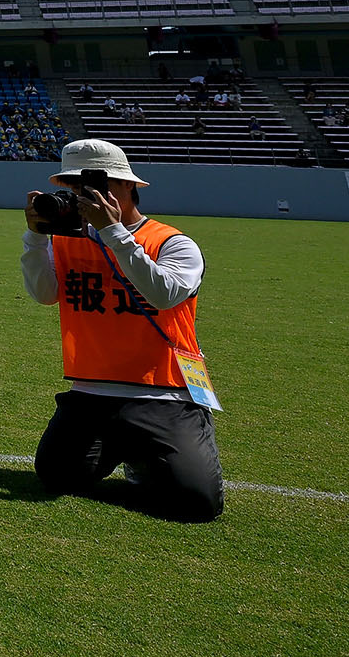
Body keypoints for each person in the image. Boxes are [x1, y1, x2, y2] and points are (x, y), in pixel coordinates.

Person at [22, 140, 224, 523]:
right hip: (91, 390)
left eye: (98, 185)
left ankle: (144, 457)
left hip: (164, 392)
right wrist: (36, 237)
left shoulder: (173, 243)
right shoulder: (66, 240)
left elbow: (163, 294)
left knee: (195, 503)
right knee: (57, 477)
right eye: (77, 187)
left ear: (128, 186)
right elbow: (44, 294)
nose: (87, 197)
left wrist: (113, 231)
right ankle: (130, 449)